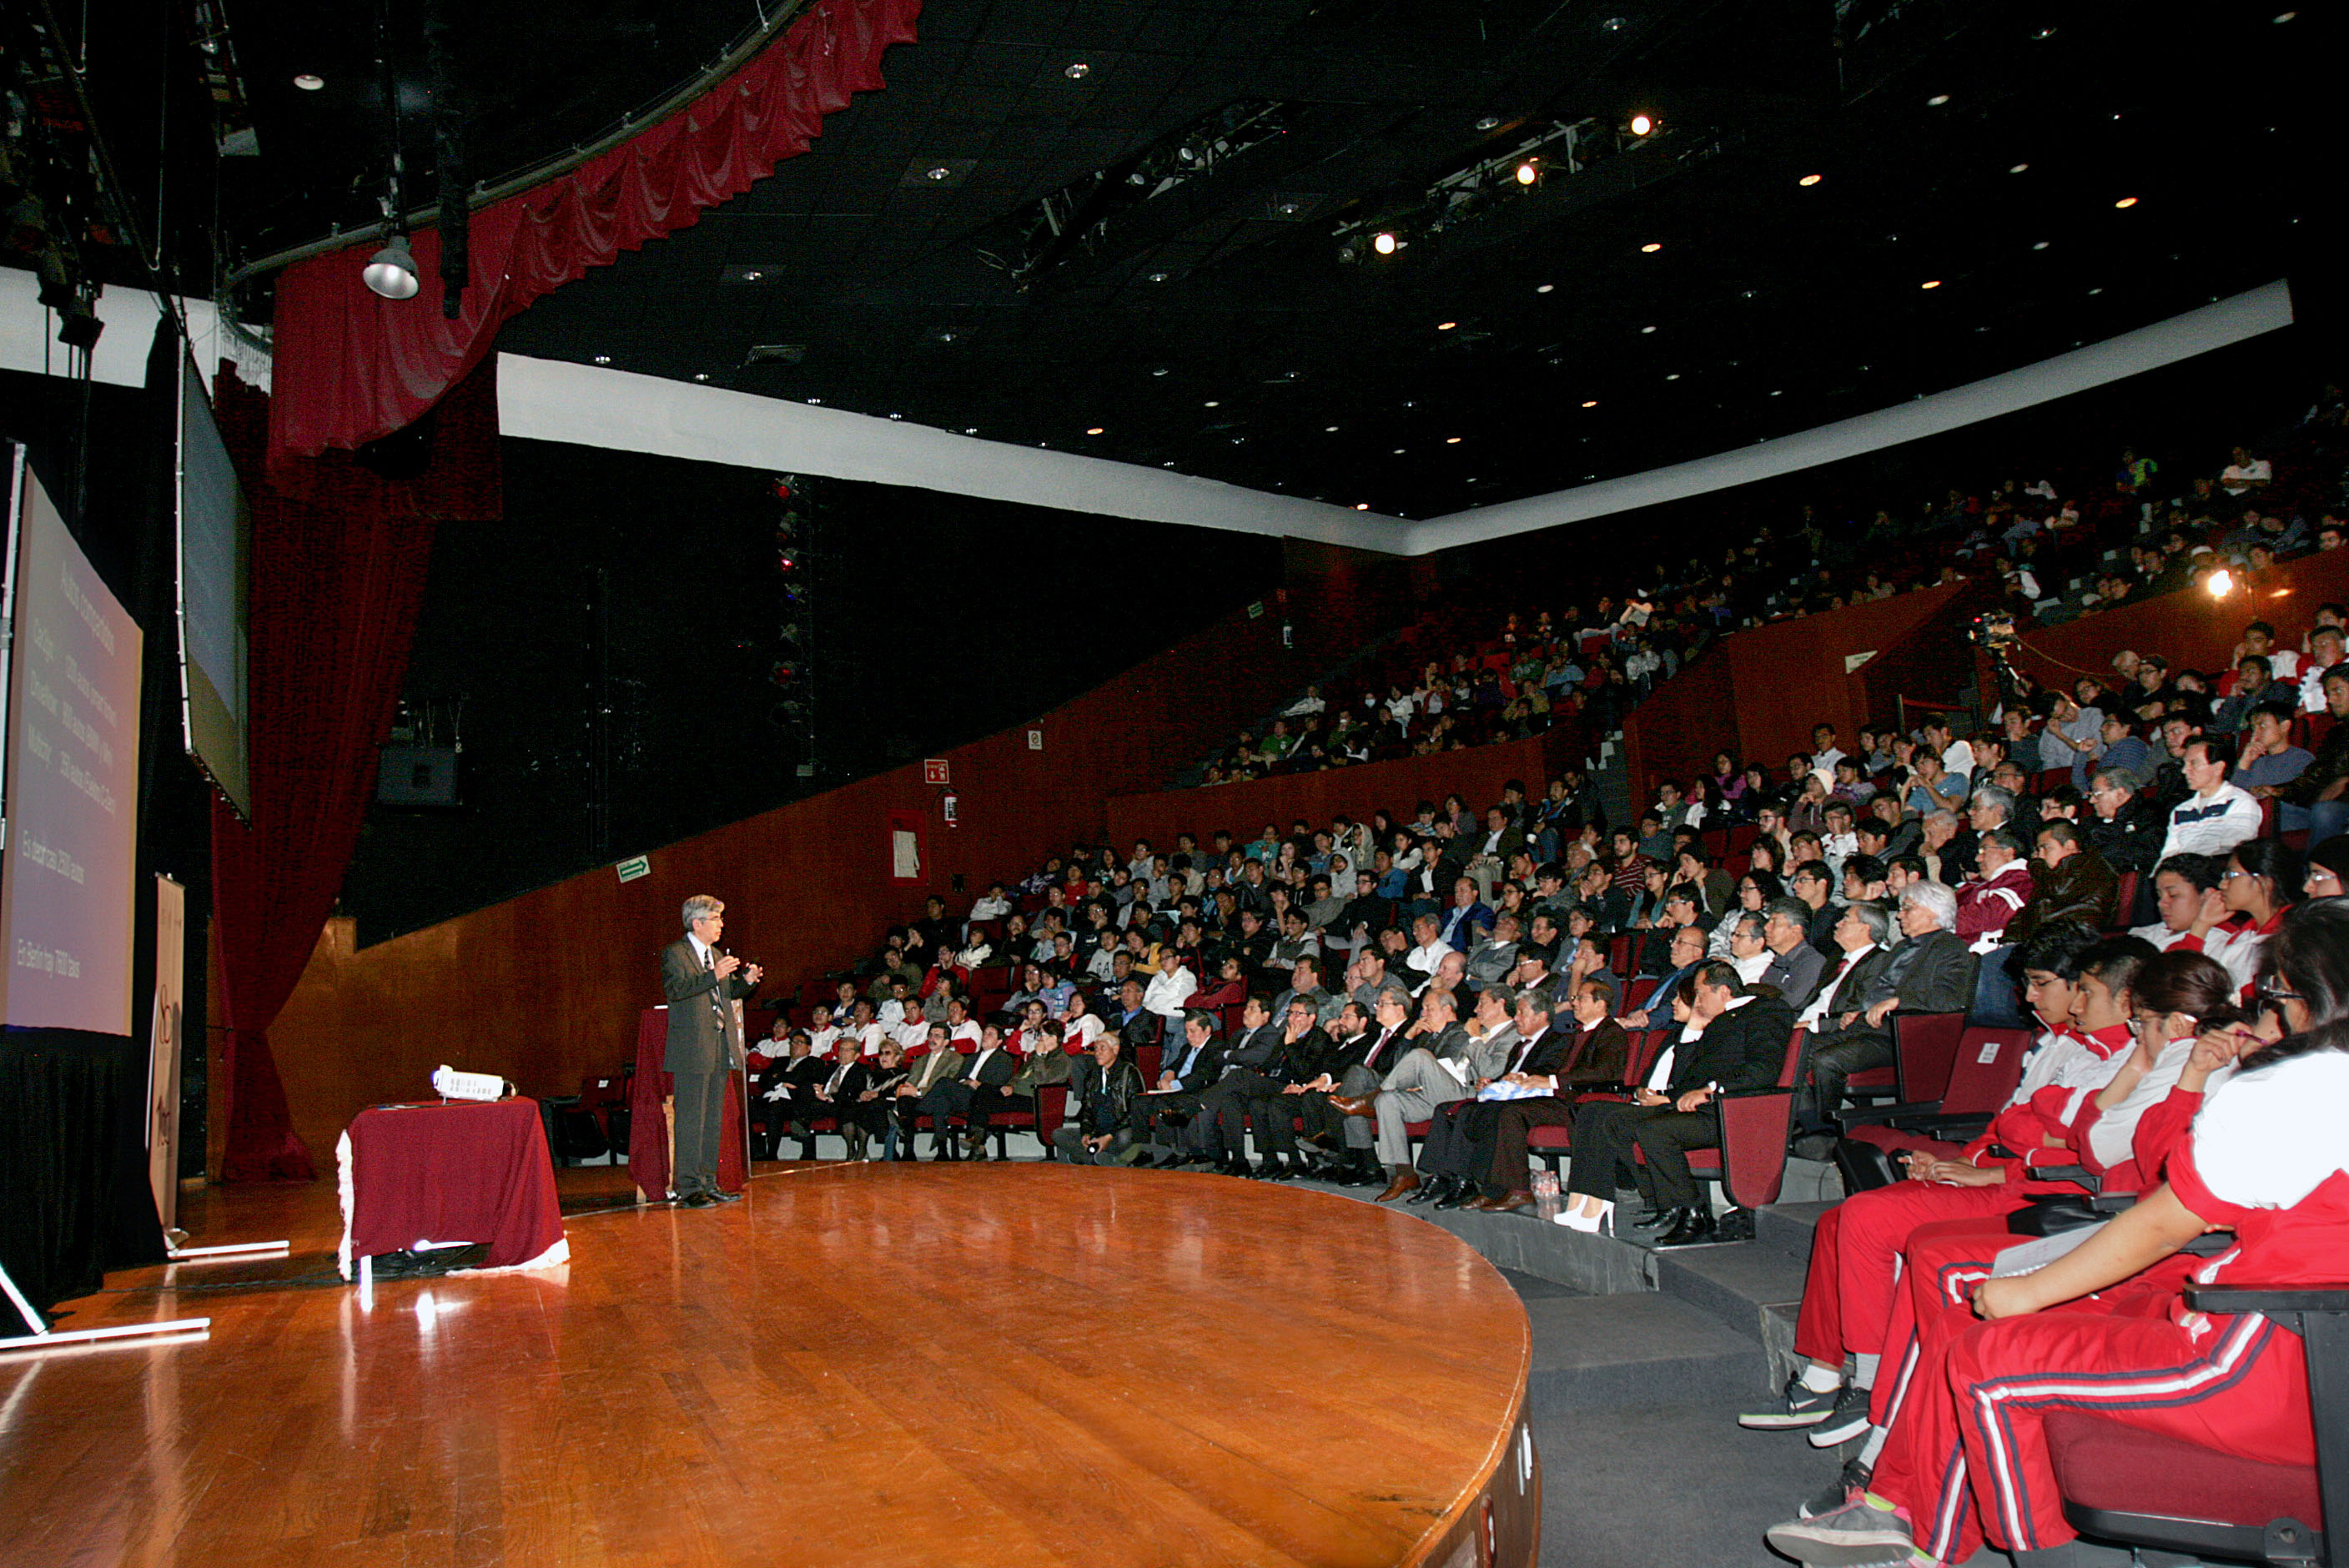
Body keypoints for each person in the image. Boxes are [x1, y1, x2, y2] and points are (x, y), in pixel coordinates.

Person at [1768, 903, 2349, 1568]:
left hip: (2270, 1351)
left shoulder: (2285, 1087)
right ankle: (1896, 1500)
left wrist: (2026, 1291)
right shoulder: (2275, 1080)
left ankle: (1918, 1527)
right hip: (2290, 1332)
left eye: (2271, 994)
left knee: (1985, 1354)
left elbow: (2155, 1208)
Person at [661, 895, 762, 1207]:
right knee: (692, 1119)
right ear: (698, 923)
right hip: (692, 1049)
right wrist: (714, 975)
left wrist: (745, 982)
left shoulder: (714, 953)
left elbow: (726, 992)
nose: (721, 924)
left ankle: (708, 1182)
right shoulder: (675, 954)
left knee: (712, 1119)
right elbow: (676, 990)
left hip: (719, 1045)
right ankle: (689, 1188)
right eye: (716, 919)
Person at [1054, 1033, 1147, 1164]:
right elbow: (1087, 1108)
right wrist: (1086, 1132)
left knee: (1125, 1137)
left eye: (1102, 1048)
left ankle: (1086, 1157)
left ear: (1115, 1050)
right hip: (1098, 1131)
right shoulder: (1093, 1075)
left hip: (1119, 1130)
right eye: (1095, 1049)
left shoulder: (1129, 1073)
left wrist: (1109, 1136)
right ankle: (1100, 1159)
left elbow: (1135, 1111)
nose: (1097, 1053)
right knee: (1059, 1134)